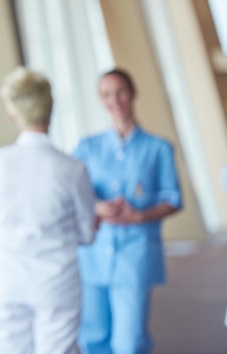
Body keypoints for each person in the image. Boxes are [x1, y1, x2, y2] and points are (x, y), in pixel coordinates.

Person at [0, 67, 96, 354]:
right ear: (51, 107)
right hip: (56, 283)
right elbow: (87, 232)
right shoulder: (72, 168)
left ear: (12, 114)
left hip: (9, 280)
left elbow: (0, 215)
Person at [73, 68, 182, 354]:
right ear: (100, 100)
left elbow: (174, 198)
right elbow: (73, 192)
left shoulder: (159, 148)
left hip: (135, 256)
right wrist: (97, 205)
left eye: (120, 91)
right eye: (106, 94)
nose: (115, 100)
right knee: (94, 337)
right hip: (94, 256)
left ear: (133, 93)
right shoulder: (87, 147)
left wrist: (139, 216)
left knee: (129, 342)